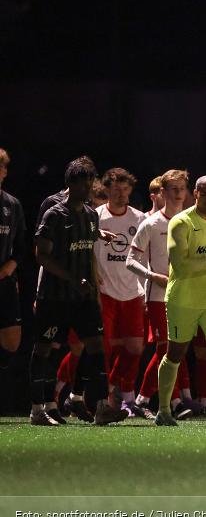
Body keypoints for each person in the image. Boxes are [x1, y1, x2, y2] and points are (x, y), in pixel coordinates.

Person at [32, 159, 128, 426]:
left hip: (83, 297)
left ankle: (101, 406)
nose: (88, 190)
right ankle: (38, 409)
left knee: (96, 345)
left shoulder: (91, 215)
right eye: (84, 185)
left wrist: (93, 287)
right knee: (44, 349)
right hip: (55, 295)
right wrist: (73, 279)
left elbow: (88, 242)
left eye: (90, 184)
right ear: (71, 184)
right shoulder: (54, 214)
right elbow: (41, 255)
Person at [154, 175, 206, 426]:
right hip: (184, 298)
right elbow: (180, 265)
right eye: (205, 194)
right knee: (175, 353)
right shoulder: (181, 222)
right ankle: (163, 410)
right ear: (195, 194)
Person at [127, 169, 194, 419]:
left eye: (182, 189)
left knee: (176, 349)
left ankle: (145, 399)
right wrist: (153, 276)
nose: (178, 194)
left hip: (186, 295)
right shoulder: (151, 224)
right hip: (158, 296)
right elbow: (130, 261)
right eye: (173, 189)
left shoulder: (192, 221)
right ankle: (166, 401)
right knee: (166, 348)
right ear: (162, 192)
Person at [94, 168, 147, 415]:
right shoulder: (96, 217)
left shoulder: (139, 218)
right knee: (106, 349)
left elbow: (145, 255)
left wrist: (146, 287)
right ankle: (108, 398)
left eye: (125, 189)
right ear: (106, 189)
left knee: (135, 348)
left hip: (133, 291)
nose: (121, 194)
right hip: (105, 291)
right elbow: (88, 252)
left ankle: (119, 388)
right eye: (116, 189)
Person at [0, 148, 26, 371]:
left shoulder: (12, 204)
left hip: (5, 280)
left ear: (5, 171)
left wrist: (11, 265)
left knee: (12, 343)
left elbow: (21, 245)